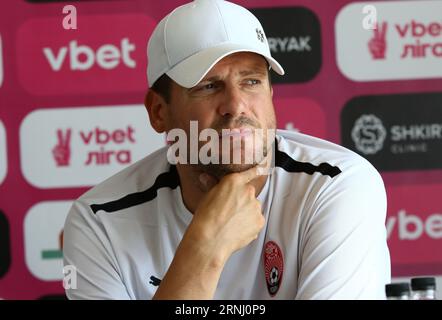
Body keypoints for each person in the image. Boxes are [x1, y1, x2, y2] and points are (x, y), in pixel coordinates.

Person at [63, 0, 391, 300]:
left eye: (252, 81)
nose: (236, 106)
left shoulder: (337, 185)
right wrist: (205, 248)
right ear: (158, 112)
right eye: (208, 86)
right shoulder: (99, 221)